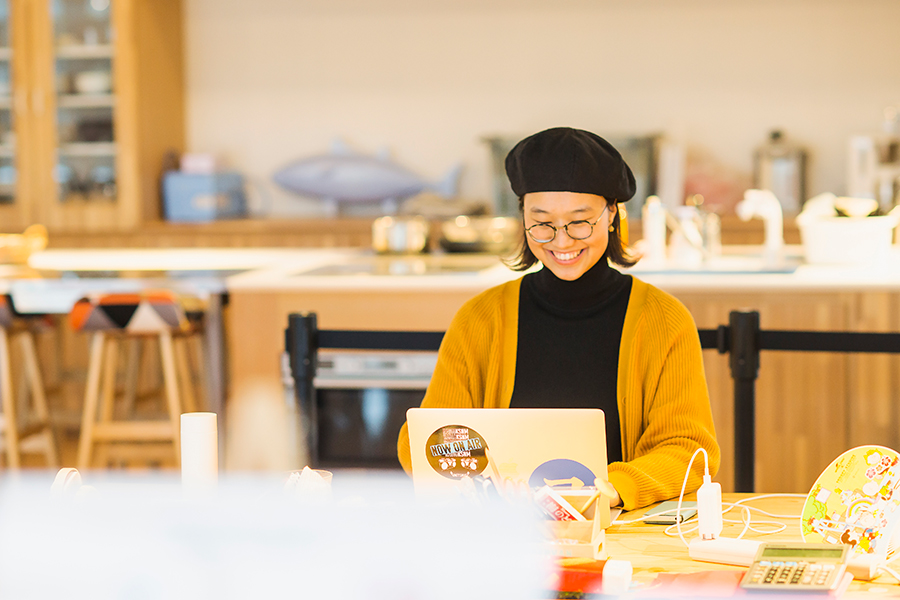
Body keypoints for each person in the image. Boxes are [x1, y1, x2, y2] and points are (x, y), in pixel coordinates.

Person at [397, 127, 719, 511]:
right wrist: (482, 482)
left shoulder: (663, 321)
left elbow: (689, 453)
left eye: (580, 221)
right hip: (507, 531)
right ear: (523, 219)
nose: (562, 241)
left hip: (619, 531)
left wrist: (610, 490)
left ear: (612, 215)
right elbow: (424, 442)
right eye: (542, 222)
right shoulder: (480, 320)